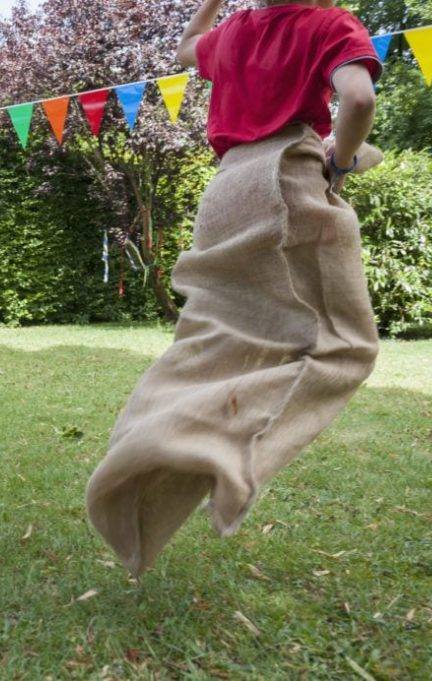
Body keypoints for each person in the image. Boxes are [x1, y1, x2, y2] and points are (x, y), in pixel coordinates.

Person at [86, 0, 384, 576]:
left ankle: (144, 437)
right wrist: (341, 162)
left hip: (226, 191)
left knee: (213, 335)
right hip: (286, 180)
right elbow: (360, 98)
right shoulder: (330, 23)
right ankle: (229, 456)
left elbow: (184, 49)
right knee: (346, 346)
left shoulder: (235, 31)